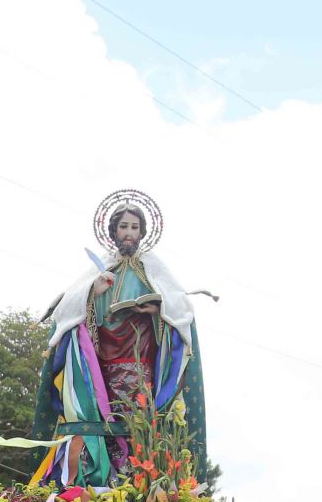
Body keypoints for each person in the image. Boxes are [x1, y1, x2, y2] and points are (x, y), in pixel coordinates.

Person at [23, 193, 207, 486]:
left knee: (136, 418)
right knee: (104, 419)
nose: (129, 233)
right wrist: (92, 293)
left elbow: (182, 311)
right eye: (124, 227)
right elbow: (67, 310)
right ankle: (100, 475)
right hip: (104, 360)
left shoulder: (154, 270)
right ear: (113, 232)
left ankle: (137, 475)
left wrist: (159, 308)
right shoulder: (99, 270)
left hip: (142, 357)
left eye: (135, 227)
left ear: (143, 232)